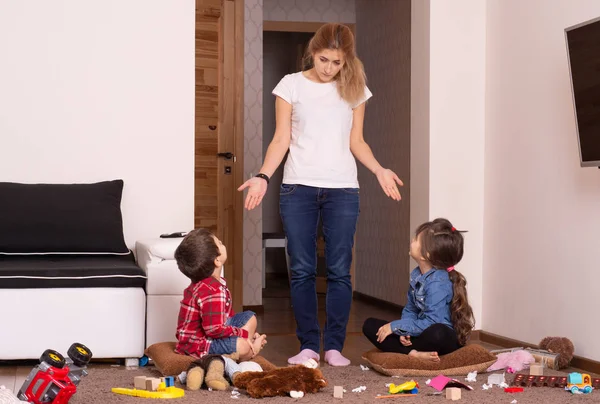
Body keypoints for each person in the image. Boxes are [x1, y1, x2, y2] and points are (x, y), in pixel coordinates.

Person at [237, 23, 403, 367]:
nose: (329, 68)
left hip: (343, 190)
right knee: (301, 269)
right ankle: (309, 345)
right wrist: (264, 176)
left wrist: (379, 170)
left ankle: (335, 348)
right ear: (312, 52)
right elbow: (281, 138)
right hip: (298, 188)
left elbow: (356, 141)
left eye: (337, 62)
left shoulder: (355, 90)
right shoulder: (291, 85)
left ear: (346, 61)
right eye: (324, 59)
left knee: (340, 271)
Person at [362, 218, 475, 361]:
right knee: (370, 325)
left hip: (439, 336)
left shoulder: (438, 282)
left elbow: (432, 322)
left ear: (426, 255)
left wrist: (396, 326)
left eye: (416, 239)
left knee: (437, 332)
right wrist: (404, 331)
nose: (412, 241)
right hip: (419, 334)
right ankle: (413, 353)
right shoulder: (417, 275)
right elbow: (411, 310)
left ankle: (407, 351)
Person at [174, 228, 267, 360]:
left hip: (213, 331)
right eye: (220, 243)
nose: (223, 244)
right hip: (198, 344)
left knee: (250, 317)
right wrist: (243, 334)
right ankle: (249, 351)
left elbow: (226, 317)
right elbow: (213, 330)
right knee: (242, 345)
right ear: (217, 260)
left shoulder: (215, 284)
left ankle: (245, 345)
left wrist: (242, 333)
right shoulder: (211, 291)